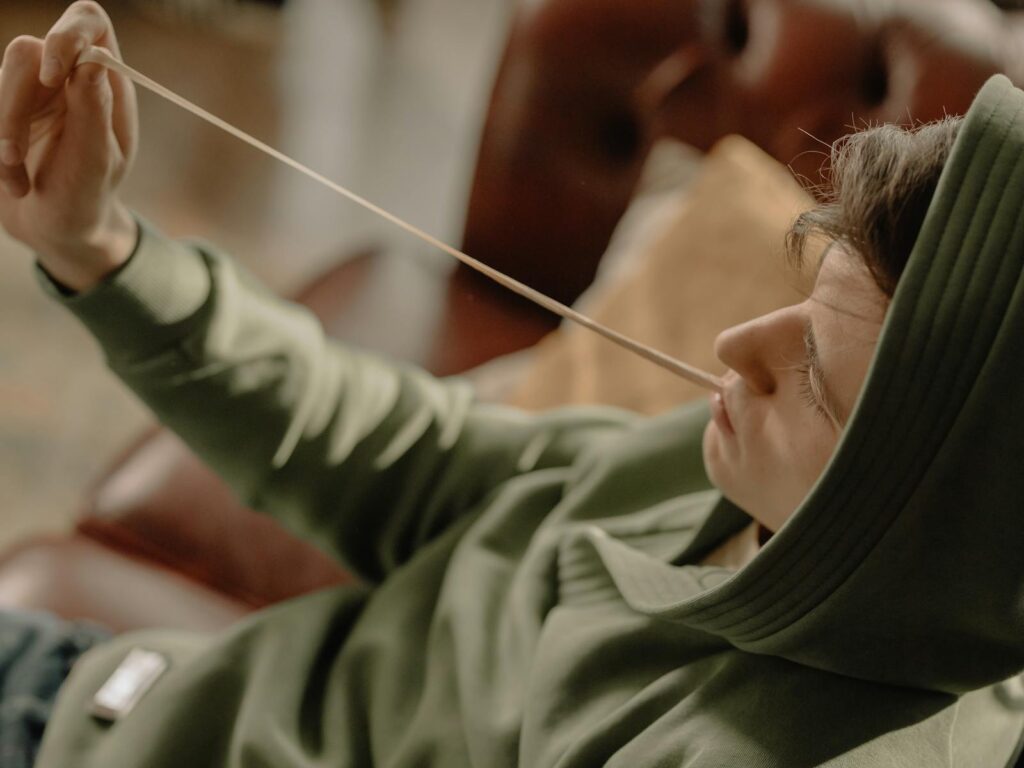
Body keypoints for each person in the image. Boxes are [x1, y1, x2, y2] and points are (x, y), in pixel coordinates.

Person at [1, 2, 1024, 766]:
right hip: (113, 697)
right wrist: (100, 247)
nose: (736, 346)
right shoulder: (745, 471)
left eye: (814, 376)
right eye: (805, 300)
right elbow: (420, 469)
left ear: (921, 528)